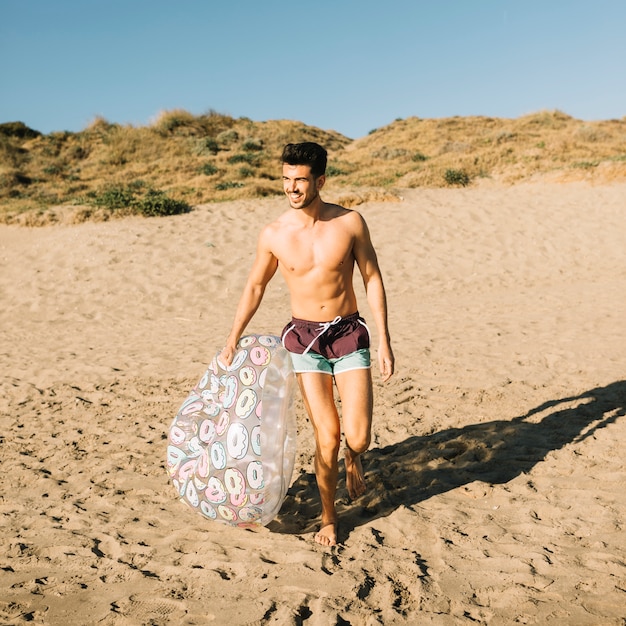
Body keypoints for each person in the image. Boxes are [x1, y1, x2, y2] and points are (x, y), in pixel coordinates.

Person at [221, 142, 394, 546]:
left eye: (300, 180)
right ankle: (329, 517)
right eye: (286, 179)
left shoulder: (350, 223)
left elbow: (372, 278)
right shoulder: (274, 234)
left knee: (357, 436)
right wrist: (232, 337)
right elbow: (256, 285)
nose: (292, 188)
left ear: (320, 180)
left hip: (349, 333)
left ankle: (356, 457)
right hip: (304, 340)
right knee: (327, 435)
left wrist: (384, 340)